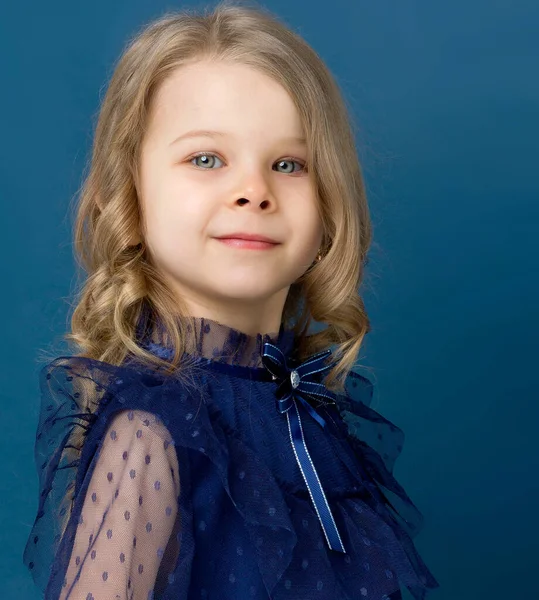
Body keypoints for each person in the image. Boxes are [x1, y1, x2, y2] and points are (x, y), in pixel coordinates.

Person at [23, 2, 440, 598]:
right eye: (206, 158)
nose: (253, 190)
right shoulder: (148, 435)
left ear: (328, 208)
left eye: (290, 163)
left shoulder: (310, 419)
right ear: (130, 196)